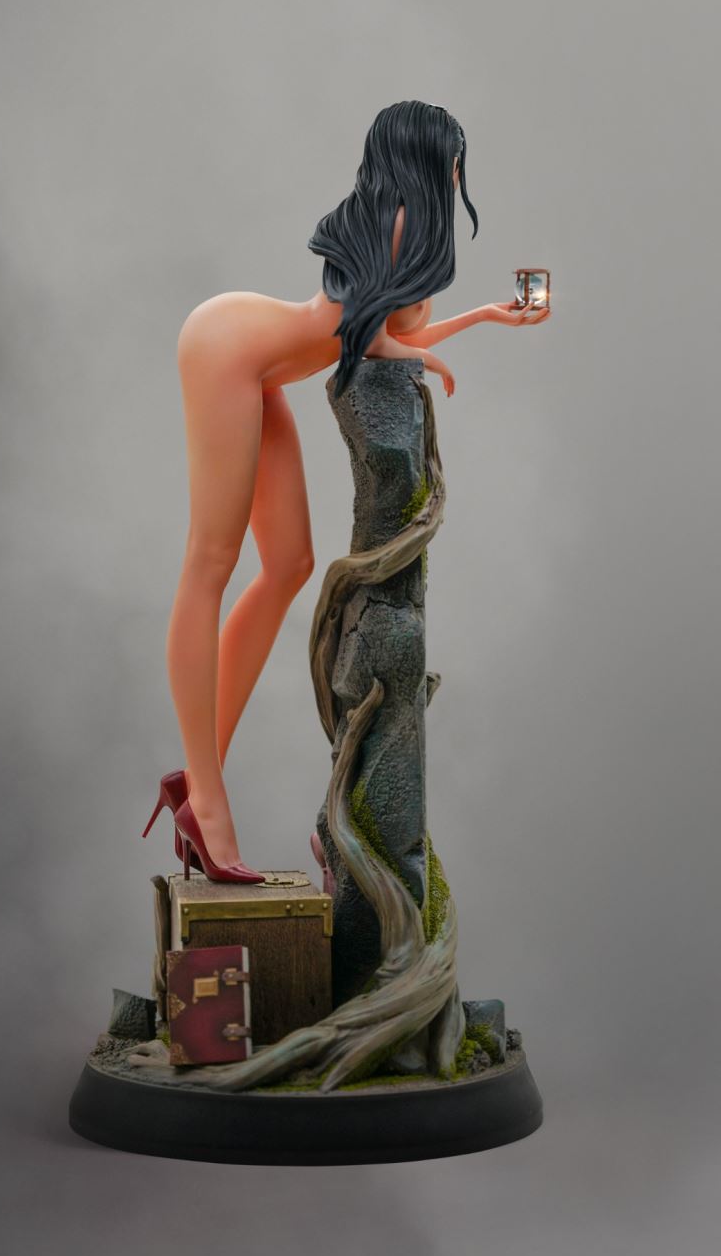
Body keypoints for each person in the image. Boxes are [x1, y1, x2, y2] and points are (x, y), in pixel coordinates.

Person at [143, 101, 549, 882]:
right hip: (228, 348)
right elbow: (358, 332)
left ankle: (196, 779)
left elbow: (384, 333)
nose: (457, 172)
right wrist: (422, 355)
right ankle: (207, 798)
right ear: (420, 156)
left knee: (290, 564)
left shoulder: (405, 227)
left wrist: (485, 317)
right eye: (451, 157)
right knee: (210, 560)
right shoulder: (393, 219)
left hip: (263, 369)